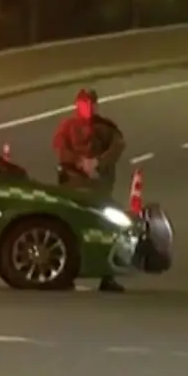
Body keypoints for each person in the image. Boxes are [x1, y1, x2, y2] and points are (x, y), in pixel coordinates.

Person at [52, 88, 127, 292]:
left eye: (92, 104)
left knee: (106, 228)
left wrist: (98, 163)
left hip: (99, 186)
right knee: (71, 230)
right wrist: (79, 163)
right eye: (84, 104)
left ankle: (107, 276)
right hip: (74, 185)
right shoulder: (68, 127)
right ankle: (66, 273)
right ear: (77, 105)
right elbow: (61, 150)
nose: (88, 108)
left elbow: (118, 146)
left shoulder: (106, 128)